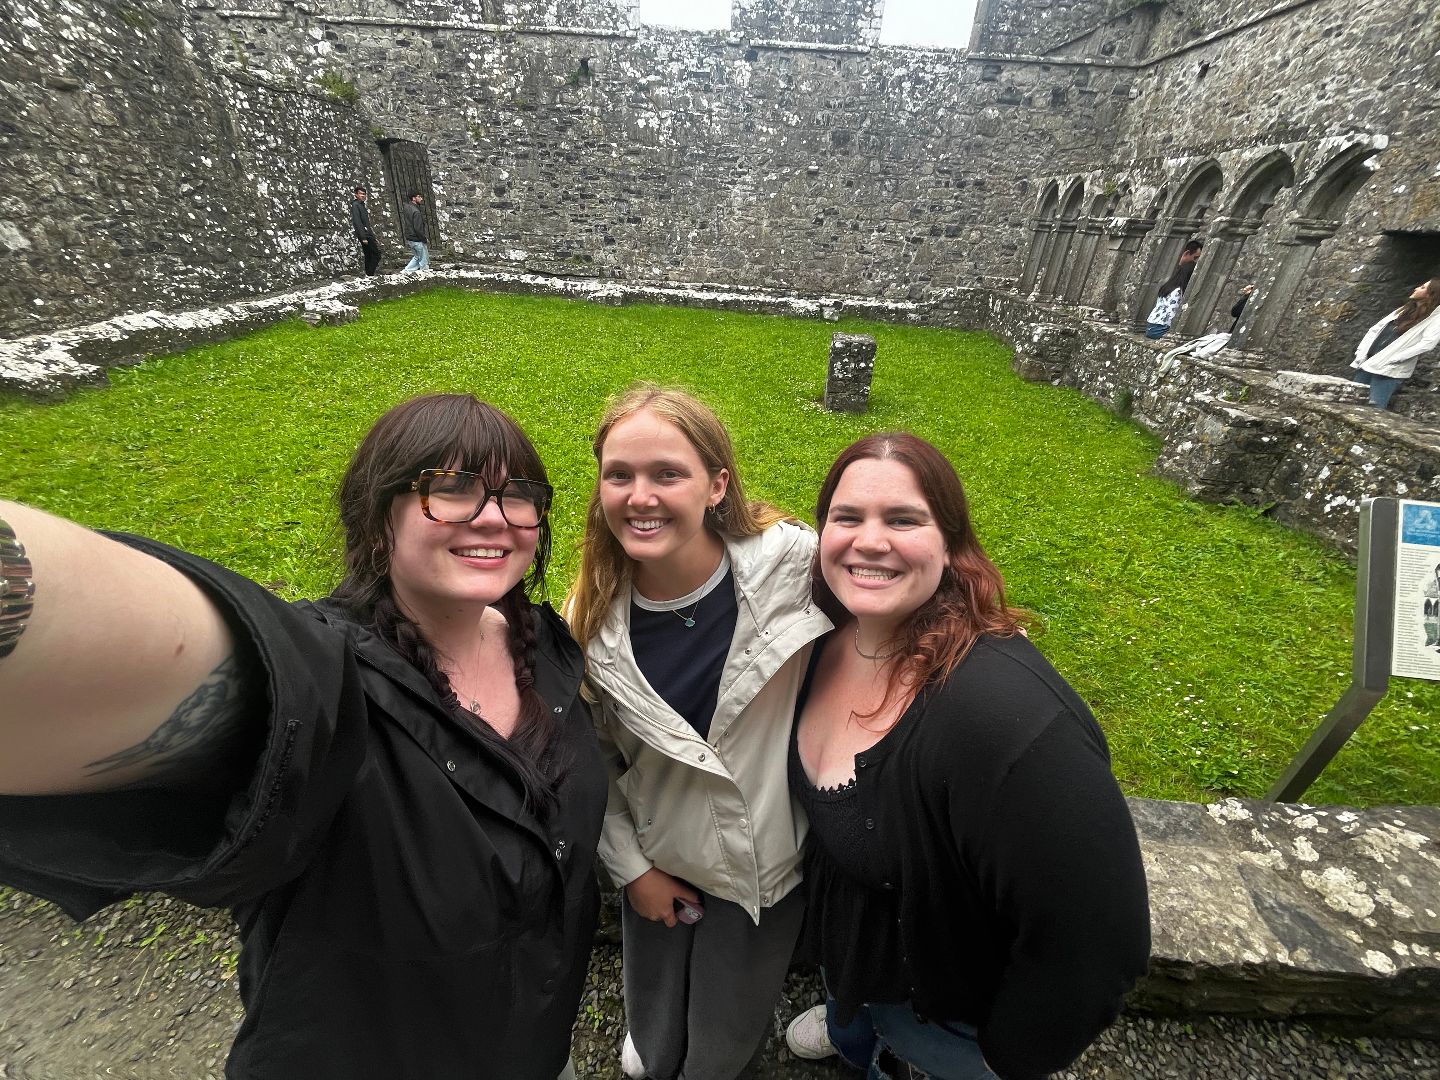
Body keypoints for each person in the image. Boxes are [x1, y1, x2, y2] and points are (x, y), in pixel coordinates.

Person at [0, 395, 606, 1080]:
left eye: (517, 495)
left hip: (529, 1047)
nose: (493, 515)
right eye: (452, 489)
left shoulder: (549, 654)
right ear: (380, 519)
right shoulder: (328, 678)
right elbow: (196, 663)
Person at [782, 433, 1150, 1080]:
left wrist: (997, 1059)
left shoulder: (1002, 720)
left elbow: (1099, 942)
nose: (870, 540)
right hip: (865, 962)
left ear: (950, 545)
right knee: (853, 1029)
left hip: (944, 1019)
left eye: (903, 520)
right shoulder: (824, 634)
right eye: (847, 518)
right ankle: (853, 1026)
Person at [565, 384, 832, 1080]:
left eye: (667, 474)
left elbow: (892, 611)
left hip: (768, 861)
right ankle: (657, 1047)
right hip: (665, 854)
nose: (639, 495)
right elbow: (591, 761)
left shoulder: (793, 566)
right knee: (655, 989)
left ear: (717, 484)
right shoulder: (590, 618)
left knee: (730, 1014)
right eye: (618, 474)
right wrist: (632, 870)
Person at [1349, 278, 1440, 410]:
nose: (1416, 288)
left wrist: (1395, 359)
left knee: (1374, 409)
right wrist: (1361, 351)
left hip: (1389, 370)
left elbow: (1427, 343)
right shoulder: (1405, 309)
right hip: (1368, 360)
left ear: (1432, 294)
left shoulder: (1435, 319)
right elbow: (1375, 329)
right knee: (1349, 401)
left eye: (1422, 287)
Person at [1143, 238, 1203, 339]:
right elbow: (1171, 316)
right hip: (1159, 329)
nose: (1196, 262)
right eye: (1196, 258)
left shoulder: (1169, 285)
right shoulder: (1177, 291)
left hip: (1151, 326)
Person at [350, 184, 382, 276]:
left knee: (368, 254)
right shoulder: (356, 205)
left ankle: (368, 274)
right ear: (356, 194)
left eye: (364, 194)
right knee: (376, 254)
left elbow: (366, 222)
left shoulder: (361, 205)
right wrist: (363, 236)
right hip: (364, 234)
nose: (363, 196)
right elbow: (357, 222)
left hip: (367, 233)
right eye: (361, 194)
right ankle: (369, 273)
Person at [401, 191, 430, 272]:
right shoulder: (416, 211)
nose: (421, 199)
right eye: (419, 196)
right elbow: (418, 228)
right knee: (423, 258)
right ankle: (425, 274)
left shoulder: (407, 208)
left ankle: (406, 271)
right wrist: (423, 239)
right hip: (416, 238)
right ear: (414, 198)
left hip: (410, 237)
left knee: (417, 257)